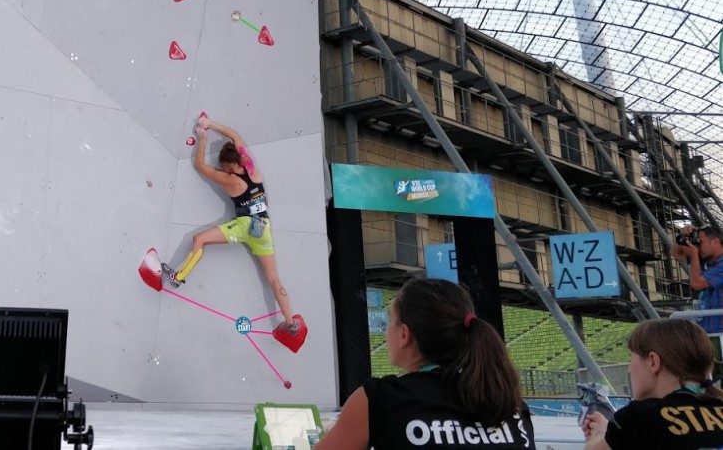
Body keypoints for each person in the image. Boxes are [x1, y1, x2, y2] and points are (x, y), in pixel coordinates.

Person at [315, 277, 534, 450]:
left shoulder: (381, 399)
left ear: (404, 335)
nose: (386, 331)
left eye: (390, 321)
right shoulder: (508, 403)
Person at [163, 115, 301, 336]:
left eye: (224, 165)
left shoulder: (230, 180)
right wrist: (212, 124)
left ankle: (178, 278)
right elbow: (235, 136)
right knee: (274, 279)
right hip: (264, 229)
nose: (222, 168)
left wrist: (203, 137)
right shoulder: (252, 169)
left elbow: (199, 166)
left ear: (232, 165)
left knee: (199, 240)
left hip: (245, 226)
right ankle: (291, 322)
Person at [582, 317, 723, 449]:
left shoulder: (637, 417)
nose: (629, 370)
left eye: (631, 358)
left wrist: (600, 433)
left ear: (653, 361)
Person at [671, 224, 723, 334]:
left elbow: (697, 284)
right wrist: (683, 236)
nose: (697, 247)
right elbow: (676, 253)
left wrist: (694, 255)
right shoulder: (707, 262)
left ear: (715, 242)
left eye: (700, 242)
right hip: (709, 331)